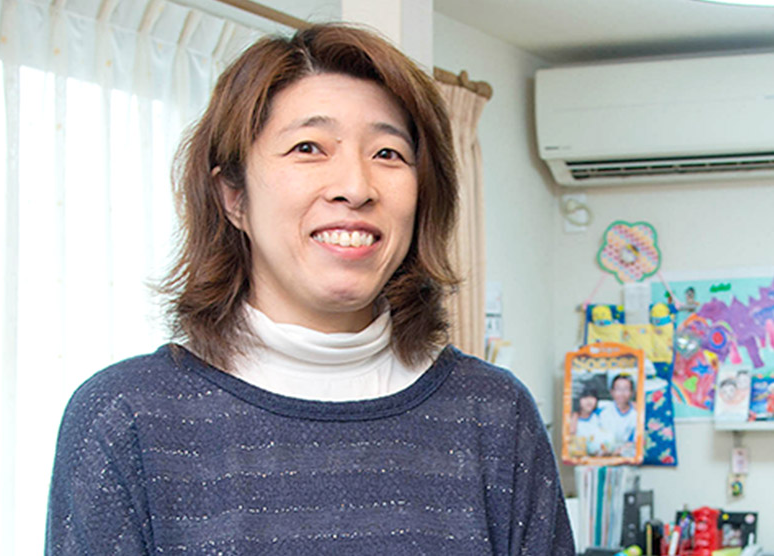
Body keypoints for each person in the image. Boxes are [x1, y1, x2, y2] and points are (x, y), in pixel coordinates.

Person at [45, 24, 574, 555]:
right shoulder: (126, 418)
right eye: (308, 147)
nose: (356, 187)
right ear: (233, 196)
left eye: (388, 153)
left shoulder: (494, 414)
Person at [599, 373, 638, 457]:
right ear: (612, 392)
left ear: (632, 392)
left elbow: (633, 441)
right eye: (618, 389)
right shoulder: (602, 409)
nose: (622, 393)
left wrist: (619, 451)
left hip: (625, 455)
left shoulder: (636, 414)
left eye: (626, 389)